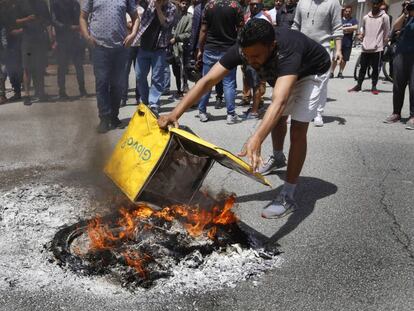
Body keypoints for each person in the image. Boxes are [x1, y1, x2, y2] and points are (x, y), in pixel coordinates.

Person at [159, 19, 331, 218]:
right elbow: (207, 81)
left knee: (297, 129)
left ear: (272, 46)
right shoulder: (244, 49)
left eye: (256, 56)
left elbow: (279, 101)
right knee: (277, 118)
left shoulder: (288, 50)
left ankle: (287, 195)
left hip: (311, 72)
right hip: (284, 71)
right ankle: (277, 157)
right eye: (247, 56)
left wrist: (256, 138)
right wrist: (174, 114)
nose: (251, 61)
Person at [80, 0, 139, 133]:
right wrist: (87, 37)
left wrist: (133, 34)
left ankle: (114, 116)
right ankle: (104, 118)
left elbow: (136, 18)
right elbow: (83, 17)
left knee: (118, 85)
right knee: (102, 83)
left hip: (120, 47)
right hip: (99, 47)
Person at [292, 0, 343, 127]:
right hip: (303, 49)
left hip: (323, 49)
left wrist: (338, 50)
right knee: (298, 80)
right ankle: (294, 111)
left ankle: (318, 113)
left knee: (321, 82)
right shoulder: (302, 2)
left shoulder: (333, 3)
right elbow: (296, 25)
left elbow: (337, 28)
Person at [196, 0, 244, 124]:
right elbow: (241, 30)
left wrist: (200, 48)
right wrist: (240, 48)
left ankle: (202, 112)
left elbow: (203, 29)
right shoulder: (236, 6)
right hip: (229, 50)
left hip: (210, 48)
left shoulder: (209, 5)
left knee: (207, 81)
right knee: (229, 83)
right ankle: (230, 115)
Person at [133, 0, 177, 115]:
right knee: (139, 75)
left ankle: (153, 103)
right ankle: (145, 100)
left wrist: (158, 8)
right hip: (143, 47)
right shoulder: (148, 3)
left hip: (159, 48)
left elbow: (165, 24)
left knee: (157, 78)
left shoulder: (171, 8)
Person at [383, 0, 414, 130]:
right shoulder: (407, 17)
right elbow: (395, 27)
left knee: (413, 87)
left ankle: (413, 116)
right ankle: (396, 113)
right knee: (398, 85)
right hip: (401, 53)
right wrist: (405, 12)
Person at [241, 0, 274, 119]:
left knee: (257, 83)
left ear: (261, 5)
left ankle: (255, 110)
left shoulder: (264, 18)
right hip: (248, 56)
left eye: (256, 4)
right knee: (251, 80)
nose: (254, 6)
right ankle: (256, 105)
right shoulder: (248, 17)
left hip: (258, 57)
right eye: (251, 4)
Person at [15, 0, 52, 106]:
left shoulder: (42, 3)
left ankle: (41, 93)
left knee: (40, 67)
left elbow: (49, 21)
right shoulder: (21, 3)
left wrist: (50, 35)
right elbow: (15, 21)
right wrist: (27, 19)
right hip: (27, 40)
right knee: (27, 68)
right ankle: (27, 95)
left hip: (40, 39)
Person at [348, 0, 390, 95]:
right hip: (365, 46)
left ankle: (374, 86)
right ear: (371, 4)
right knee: (362, 67)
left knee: (375, 68)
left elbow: (387, 32)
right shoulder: (366, 17)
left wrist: (382, 44)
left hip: (377, 47)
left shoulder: (384, 17)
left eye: (377, 4)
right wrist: (361, 36)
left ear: (380, 4)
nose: (375, 5)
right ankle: (359, 85)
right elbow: (363, 29)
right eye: (373, 4)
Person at [190, 0, 224, 109]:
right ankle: (198, 97)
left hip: (215, 43)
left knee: (218, 72)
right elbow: (195, 29)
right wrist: (194, 48)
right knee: (200, 73)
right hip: (201, 44)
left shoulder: (217, 5)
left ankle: (219, 96)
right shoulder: (197, 9)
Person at [50, 0, 87, 99]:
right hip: (62, 39)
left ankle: (82, 90)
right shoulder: (55, 4)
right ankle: (62, 92)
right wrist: (69, 27)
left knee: (79, 66)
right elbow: (54, 21)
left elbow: (81, 18)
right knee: (62, 67)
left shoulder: (75, 4)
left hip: (75, 39)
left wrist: (80, 29)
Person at [170, 0, 192, 98]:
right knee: (176, 69)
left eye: (186, 4)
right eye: (183, 3)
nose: (184, 5)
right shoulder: (172, 15)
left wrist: (176, 38)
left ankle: (185, 86)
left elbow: (188, 33)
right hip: (172, 47)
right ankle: (179, 89)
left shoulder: (189, 17)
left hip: (183, 46)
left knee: (184, 68)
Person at [330, 6, 358, 79]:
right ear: (343, 11)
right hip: (337, 42)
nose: (348, 13)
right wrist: (350, 29)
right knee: (335, 58)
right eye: (346, 11)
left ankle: (340, 72)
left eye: (349, 11)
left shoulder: (353, 20)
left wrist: (344, 28)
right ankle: (331, 72)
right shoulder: (339, 20)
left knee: (344, 59)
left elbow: (355, 27)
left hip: (348, 42)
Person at [4, 0, 23, 103]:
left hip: (16, 42)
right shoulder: (5, 10)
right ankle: (16, 91)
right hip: (8, 42)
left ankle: (18, 90)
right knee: (10, 69)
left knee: (17, 67)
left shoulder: (18, 7)